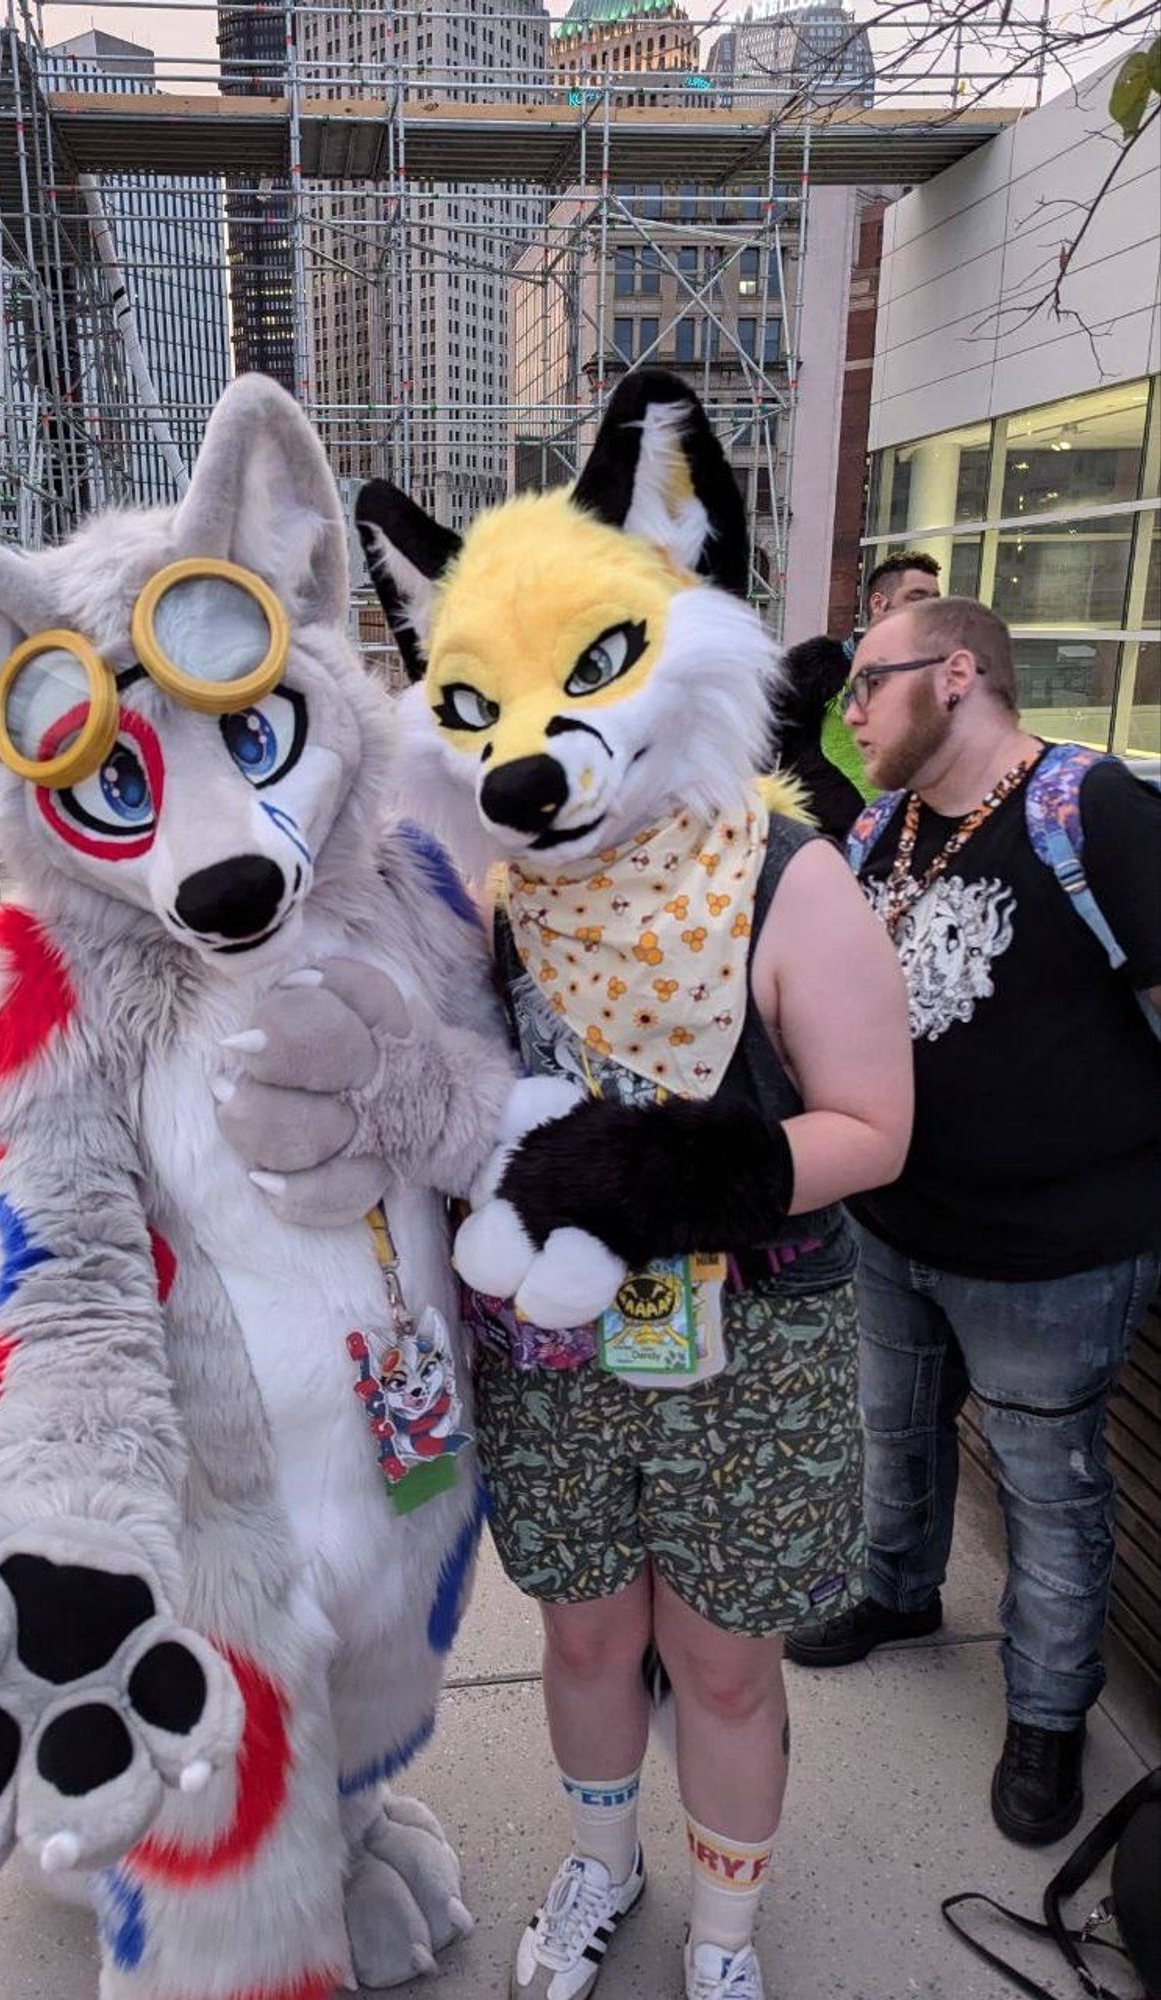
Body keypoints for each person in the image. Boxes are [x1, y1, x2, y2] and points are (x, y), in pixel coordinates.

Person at [354, 367, 916, 2000]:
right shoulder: (496, 887)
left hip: (751, 1347)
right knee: (589, 1636)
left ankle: (725, 1938)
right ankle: (600, 1868)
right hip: (554, 1355)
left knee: (724, 1668)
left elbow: (876, 1126)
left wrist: (686, 1174)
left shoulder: (788, 874)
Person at [786, 595, 1161, 1848]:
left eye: (864, 686)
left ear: (956, 673)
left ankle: (1049, 1715)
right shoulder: (888, 827)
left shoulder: (1089, 810)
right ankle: (898, 1590)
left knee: (1051, 1489)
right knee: (892, 1433)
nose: (848, 712)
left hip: (1056, 1255)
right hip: (896, 1227)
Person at [773, 551, 942, 840]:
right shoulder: (817, 667)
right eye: (917, 597)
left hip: (900, 844)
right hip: (819, 842)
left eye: (935, 600)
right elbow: (763, 740)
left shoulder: (936, 678)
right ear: (879, 603)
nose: (931, 610)